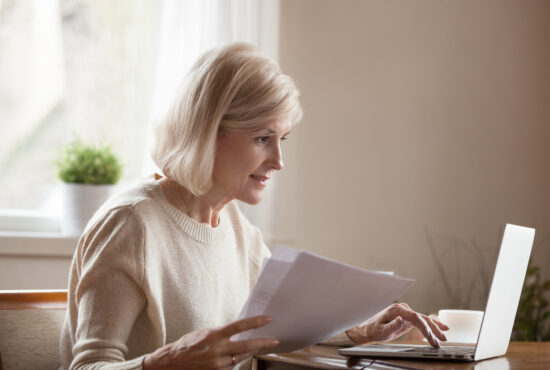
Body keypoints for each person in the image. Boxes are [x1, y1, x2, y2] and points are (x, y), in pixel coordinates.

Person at [60, 42, 448, 370]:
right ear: (207, 133)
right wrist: (165, 363)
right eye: (263, 138)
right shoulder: (130, 225)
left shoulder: (238, 230)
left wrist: (358, 330)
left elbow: (278, 331)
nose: (279, 160)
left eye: (283, 138)